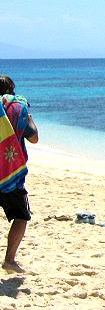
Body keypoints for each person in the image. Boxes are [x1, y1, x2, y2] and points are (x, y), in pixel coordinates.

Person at [0, 75, 38, 273]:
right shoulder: (17, 109)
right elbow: (34, 138)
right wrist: (28, 116)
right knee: (22, 216)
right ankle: (9, 260)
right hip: (10, 175)